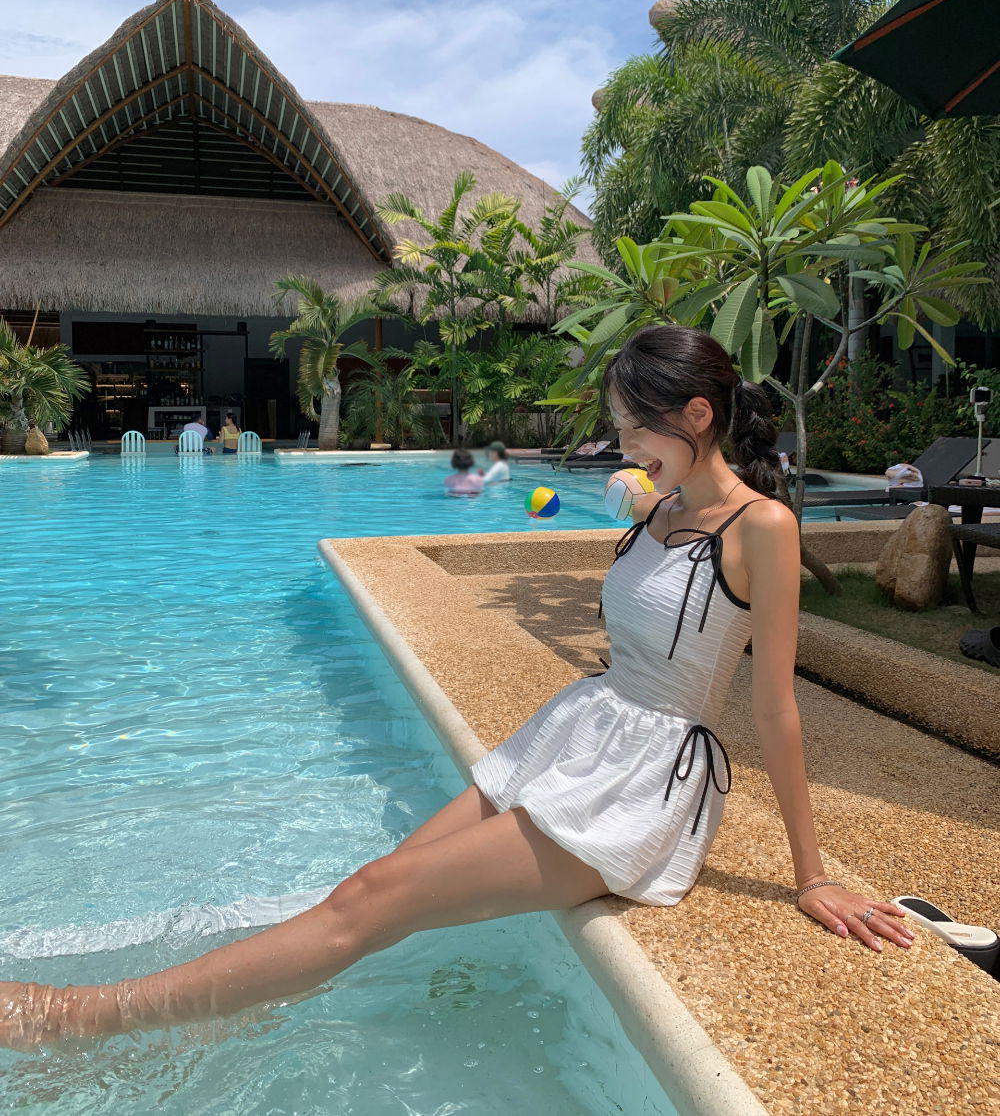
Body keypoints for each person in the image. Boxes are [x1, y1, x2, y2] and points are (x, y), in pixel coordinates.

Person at [0, 325, 912, 1049]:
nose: (623, 445)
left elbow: (774, 706)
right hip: (579, 732)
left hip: (642, 784)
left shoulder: (765, 529)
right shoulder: (659, 503)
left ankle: (87, 1019)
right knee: (376, 882)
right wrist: (634, 491)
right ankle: (231, 1004)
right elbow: (632, 508)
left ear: (699, 415)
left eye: (637, 426)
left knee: (374, 899)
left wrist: (810, 875)